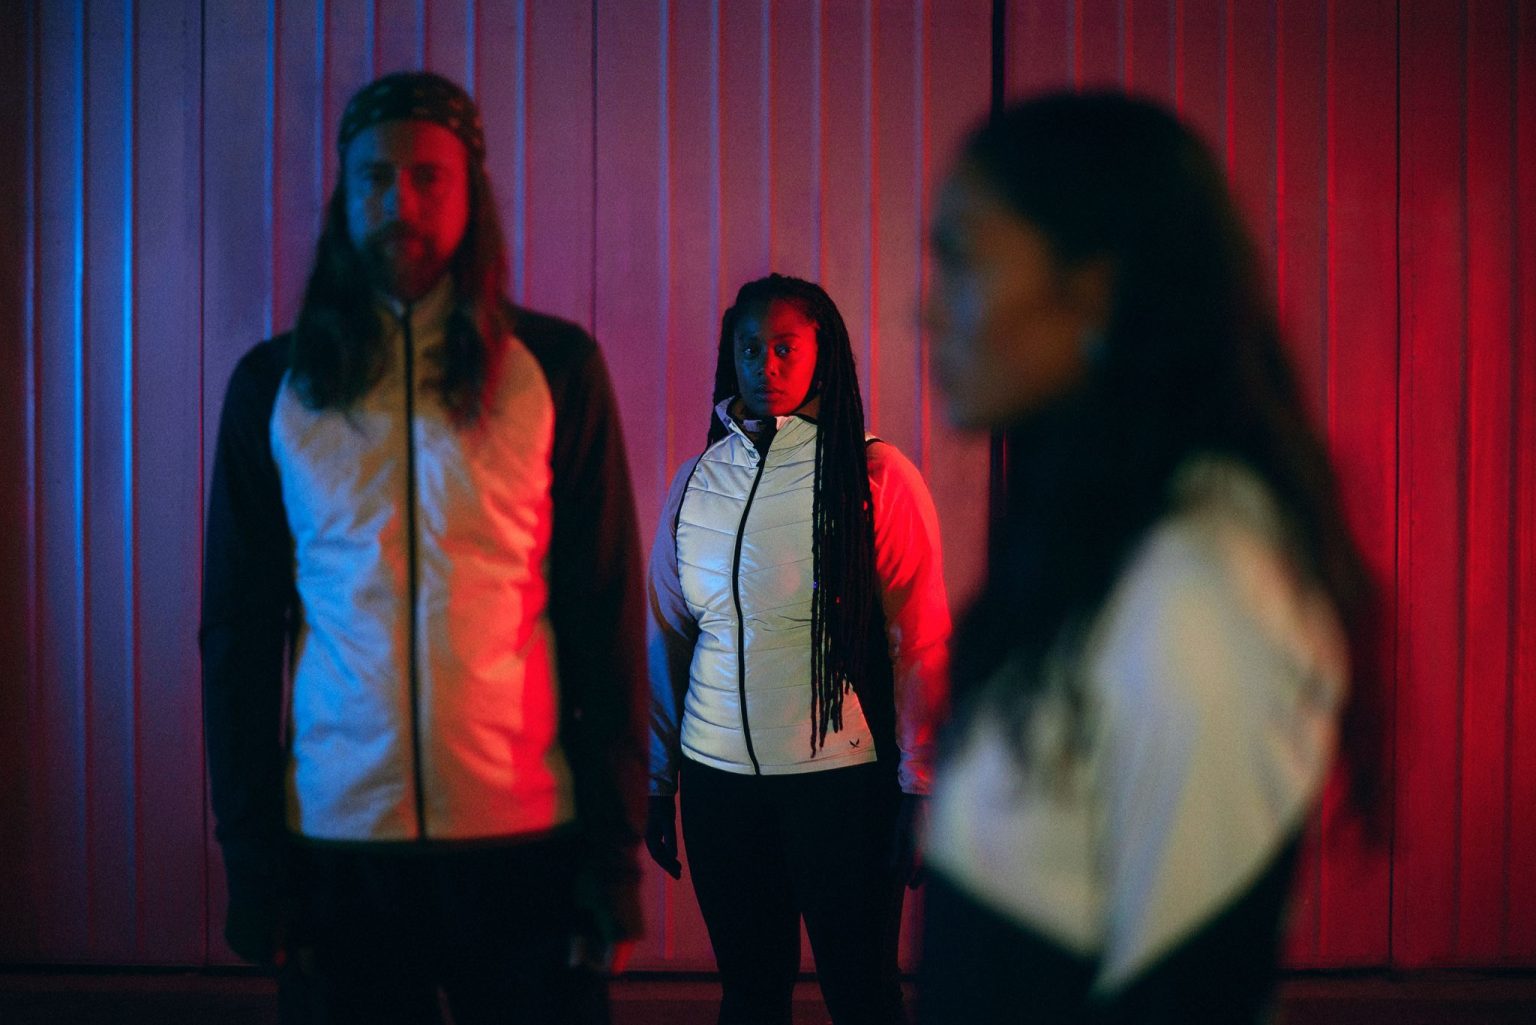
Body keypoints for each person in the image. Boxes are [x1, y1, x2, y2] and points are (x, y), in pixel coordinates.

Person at [917, 92, 1385, 1023]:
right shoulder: (1099, 530)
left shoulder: (1201, 587)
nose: (924, 309)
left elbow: (1188, 994)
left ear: (1091, 291)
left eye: (962, 259)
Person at [200, 71, 647, 1025]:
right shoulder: (273, 386)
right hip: (336, 846)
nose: (398, 201)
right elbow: (237, 637)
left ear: (469, 193)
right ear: (344, 194)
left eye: (426, 178)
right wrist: (250, 857)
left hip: (526, 844)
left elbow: (604, 615)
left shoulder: (556, 370)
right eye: (375, 178)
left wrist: (615, 856)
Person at [645, 274, 951, 1025]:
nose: (766, 365)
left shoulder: (875, 476)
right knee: (749, 995)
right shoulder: (696, 483)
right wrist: (658, 778)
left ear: (824, 354)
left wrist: (921, 785)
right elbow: (667, 634)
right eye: (750, 348)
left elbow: (920, 638)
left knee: (863, 994)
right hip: (719, 788)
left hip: (841, 789)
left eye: (785, 347)